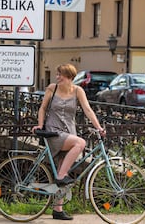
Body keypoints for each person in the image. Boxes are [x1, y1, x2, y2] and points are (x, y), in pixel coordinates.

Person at [32, 63, 105, 221]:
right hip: (54, 132)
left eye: (61, 75)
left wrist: (98, 127)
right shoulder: (52, 88)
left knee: (62, 168)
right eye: (57, 74)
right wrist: (40, 124)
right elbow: (43, 108)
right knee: (80, 144)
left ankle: (58, 209)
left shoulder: (78, 91)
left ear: (70, 78)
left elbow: (87, 110)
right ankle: (60, 177)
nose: (57, 77)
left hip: (69, 132)